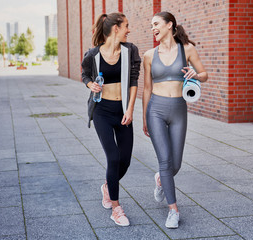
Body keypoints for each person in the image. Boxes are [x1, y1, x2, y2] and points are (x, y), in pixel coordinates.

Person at [142, 11, 208, 229]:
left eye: (156, 24)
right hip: (156, 111)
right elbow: (147, 88)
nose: (153, 28)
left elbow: (204, 74)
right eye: (152, 25)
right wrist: (144, 117)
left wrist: (195, 74)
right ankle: (173, 210)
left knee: (175, 164)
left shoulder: (186, 49)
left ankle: (161, 179)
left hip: (179, 109)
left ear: (169, 25)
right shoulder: (149, 55)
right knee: (164, 161)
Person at [81, 12, 141, 227]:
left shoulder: (130, 50)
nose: (129, 29)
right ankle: (116, 207)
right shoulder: (93, 54)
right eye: (126, 25)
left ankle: (108, 186)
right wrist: (90, 85)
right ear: (116, 28)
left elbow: (134, 80)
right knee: (113, 157)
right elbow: (85, 75)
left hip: (123, 110)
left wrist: (131, 109)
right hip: (102, 111)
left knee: (125, 160)